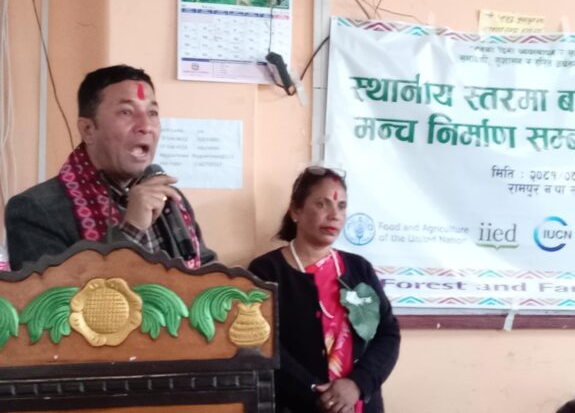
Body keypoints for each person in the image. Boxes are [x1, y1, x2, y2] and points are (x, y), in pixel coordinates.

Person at [5, 64, 216, 270]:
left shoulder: (169, 200)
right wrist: (132, 228)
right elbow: (55, 292)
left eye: (152, 113)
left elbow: (208, 274)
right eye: (126, 112)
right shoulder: (34, 209)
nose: (146, 126)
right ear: (88, 130)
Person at [248, 166, 400, 413]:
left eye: (341, 206)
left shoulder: (359, 268)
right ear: (296, 210)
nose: (334, 215)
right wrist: (322, 396)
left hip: (359, 404)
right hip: (297, 405)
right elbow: (261, 343)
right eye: (322, 204)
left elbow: (388, 333)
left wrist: (357, 385)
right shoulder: (266, 271)